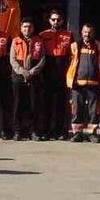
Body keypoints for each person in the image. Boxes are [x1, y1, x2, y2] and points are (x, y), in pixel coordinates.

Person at [66, 22, 100, 142]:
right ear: (81, 32)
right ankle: (77, 133)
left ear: (93, 33)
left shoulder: (99, 47)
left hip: (94, 83)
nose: (87, 34)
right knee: (77, 109)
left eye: (89, 32)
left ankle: (91, 133)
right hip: (78, 83)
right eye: (85, 32)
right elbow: (69, 63)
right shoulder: (74, 46)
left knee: (94, 111)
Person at [39, 9, 74, 139]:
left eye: (58, 19)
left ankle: (60, 131)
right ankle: (46, 131)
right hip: (47, 70)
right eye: (53, 19)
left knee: (61, 104)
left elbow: (72, 55)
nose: (56, 22)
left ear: (62, 21)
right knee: (46, 104)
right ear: (49, 21)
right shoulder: (43, 35)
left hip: (62, 70)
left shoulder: (69, 35)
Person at [10, 18, 46, 140]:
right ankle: (17, 131)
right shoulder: (15, 41)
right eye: (25, 27)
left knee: (34, 105)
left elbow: (42, 59)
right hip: (18, 77)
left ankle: (33, 131)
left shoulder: (39, 41)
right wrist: (22, 72)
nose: (27, 29)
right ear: (21, 28)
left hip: (34, 77)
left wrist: (32, 72)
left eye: (29, 27)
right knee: (17, 105)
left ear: (33, 28)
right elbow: (12, 60)